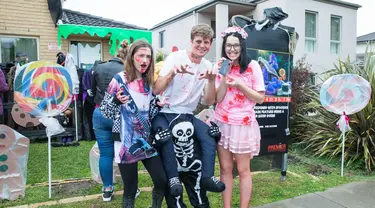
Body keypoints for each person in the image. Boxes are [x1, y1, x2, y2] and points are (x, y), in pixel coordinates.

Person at [152, 23, 225, 208]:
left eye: (206, 42)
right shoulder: (176, 57)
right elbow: (157, 88)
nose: (202, 46)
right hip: (166, 112)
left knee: (209, 136)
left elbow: (208, 101)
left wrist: (210, 81)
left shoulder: (208, 65)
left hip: (188, 115)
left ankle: (207, 177)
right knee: (166, 140)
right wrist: (173, 73)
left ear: (211, 44)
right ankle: (173, 180)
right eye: (198, 41)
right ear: (191, 41)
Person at [100, 40, 167, 208]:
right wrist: (116, 101)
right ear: (132, 57)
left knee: (161, 181)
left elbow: (149, 115)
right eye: (141, 55)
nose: (145, 60)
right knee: (130, 189)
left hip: (146, 141)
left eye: (148, 57)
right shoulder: (119, 80)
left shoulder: (148, 82)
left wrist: (156, 106)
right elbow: (104, 112)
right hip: (125, 142)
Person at [214, 26, 265, 208]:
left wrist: (240, 85)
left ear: (242, 46)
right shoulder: (221, 65)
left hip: (243, 125)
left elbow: (260, 98)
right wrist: (224, 77)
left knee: (243, 170)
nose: (232, 49)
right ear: (224, 47)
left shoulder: (252, 66)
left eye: (236, 45)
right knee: (225, 169)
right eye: (228, 45)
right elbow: (218, 98)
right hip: (222, 123)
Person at [91, 40, 129, 201]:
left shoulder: (98, 67)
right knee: (124, 152)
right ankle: (130, 186)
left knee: (105, 154)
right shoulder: (126, 71)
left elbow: (93, 91)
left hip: (99, 112)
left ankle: (107, 189)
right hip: (118, 115)